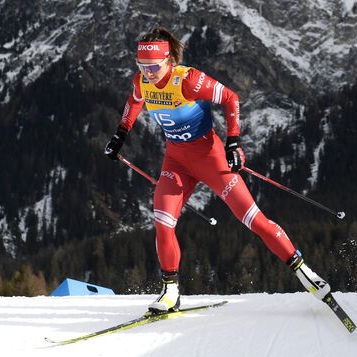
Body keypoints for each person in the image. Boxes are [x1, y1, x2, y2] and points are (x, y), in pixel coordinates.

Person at [105, 27, 331, 313]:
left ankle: (305, 272)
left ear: (168, 61)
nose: (148, 72)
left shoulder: (188, 80)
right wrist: (120, 134)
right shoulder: (142, 82)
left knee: (253, 219)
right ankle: (170, 292)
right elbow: (133, 103)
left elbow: (231, 97)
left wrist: (233, 141)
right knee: (162, 223)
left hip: (210, 158)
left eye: (154, 66)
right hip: (176, 162)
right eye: (142, 66)